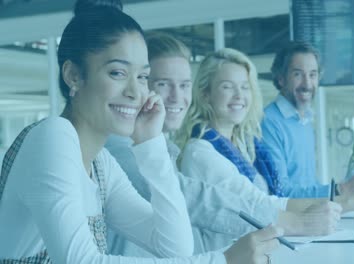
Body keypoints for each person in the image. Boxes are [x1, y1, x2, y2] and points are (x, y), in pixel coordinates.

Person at [0, 1, 281, 263]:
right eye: (117, 73)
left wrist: (150, 142)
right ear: (73, 75)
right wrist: (223, 260)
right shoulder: (52, 136)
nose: (136, 92)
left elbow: (175, 248)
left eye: (143, 76)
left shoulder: (101, 165)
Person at [177, 48, 354, 253]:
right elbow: (259, 206)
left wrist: (347, 202)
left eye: (244, 87)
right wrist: (350, 200)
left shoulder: (244, 145)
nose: (239, 95)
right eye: (227, 87)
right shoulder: (201, 153)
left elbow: (274, 201)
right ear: (205, 94)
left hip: (265, 251)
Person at [105, 32, 280, 256]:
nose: (177, 97)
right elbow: (193, 199)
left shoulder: (166, 147)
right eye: (163, 84)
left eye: (184, 85)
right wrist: (280, 218)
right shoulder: (122, 148)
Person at [261, 41, 329, 198]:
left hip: (309, 217)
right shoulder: (268, 122)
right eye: (298, 74)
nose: (307, 84)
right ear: (281, 79)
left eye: (312, 75)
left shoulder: (304, 120)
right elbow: (281, 192)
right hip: (287, 220)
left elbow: (309, 184)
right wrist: (340, 190)